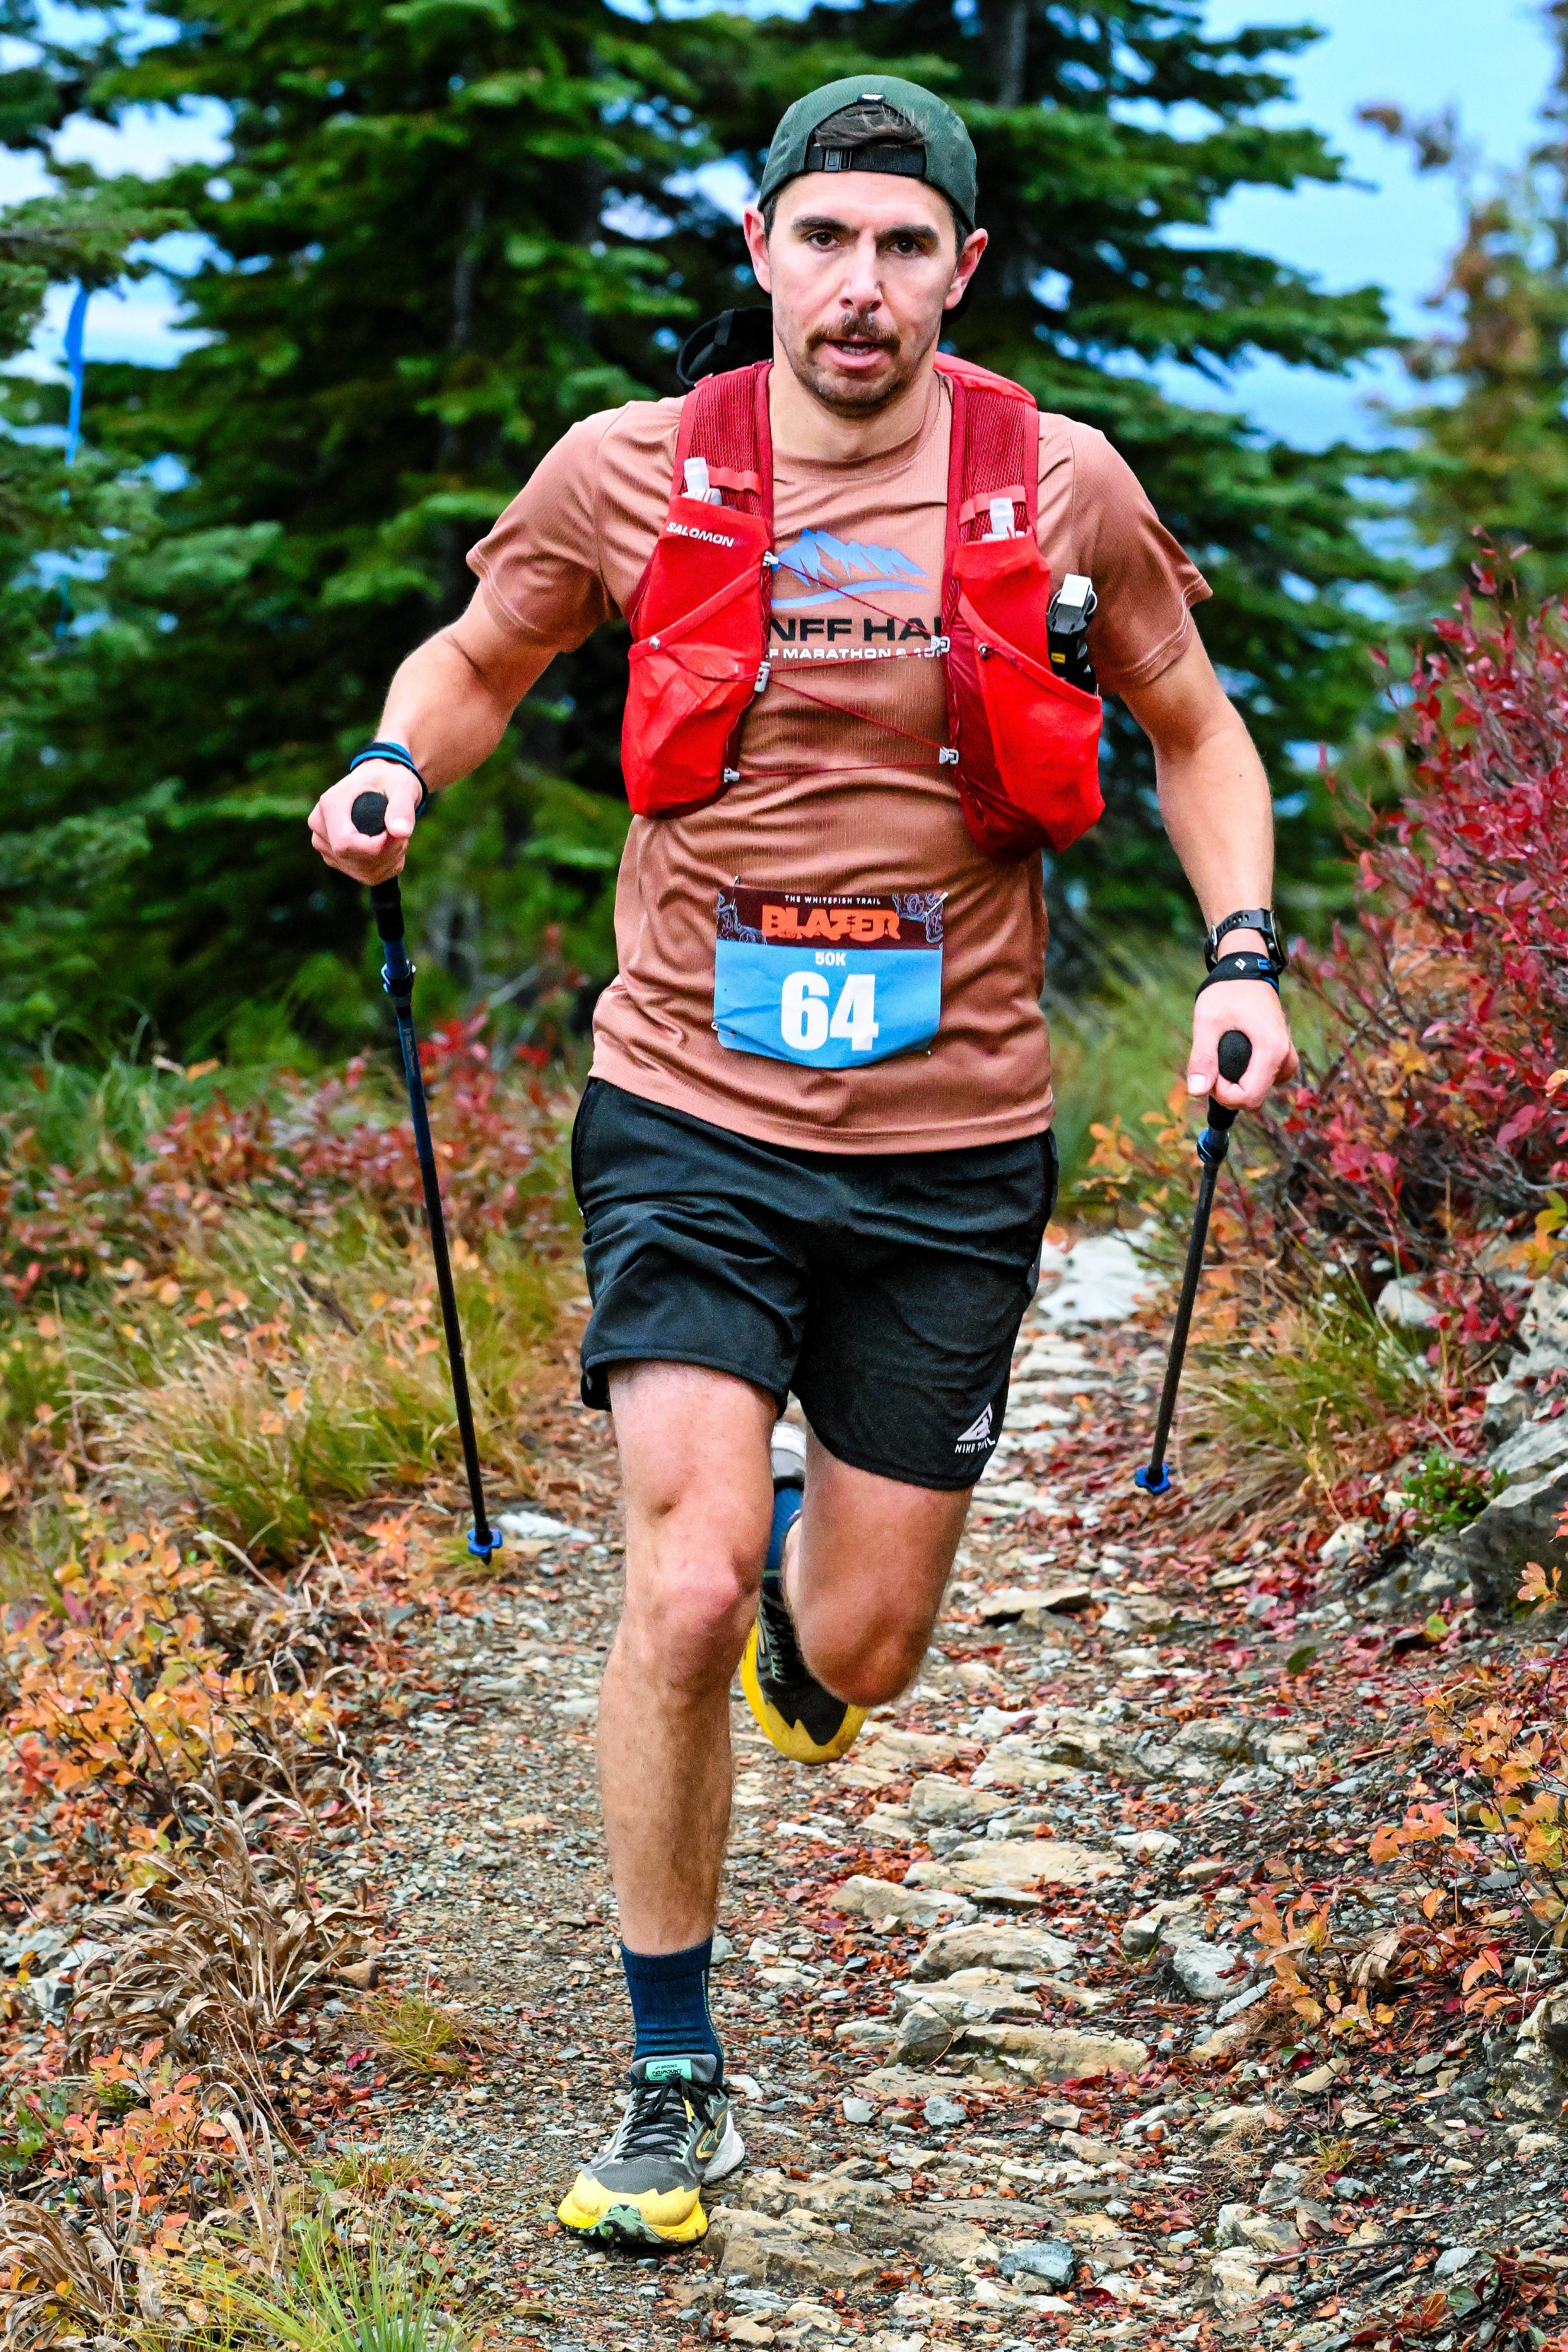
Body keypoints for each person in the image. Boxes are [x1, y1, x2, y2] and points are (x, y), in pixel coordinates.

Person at [308, 75, 1298, 2252]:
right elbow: (481, 657)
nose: (861, 287)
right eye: (823, 239)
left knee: (859, 1640)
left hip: (955, 1138)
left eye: (903, 245)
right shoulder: (633, 473)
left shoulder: (1059, 484)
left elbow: (1194, 727)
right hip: (691, 1104)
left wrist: (1242, 957)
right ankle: (675, 2071)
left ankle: (801, 1620)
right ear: (759, 250)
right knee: (669, 1583)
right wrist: (396, 764)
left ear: (965, 266)